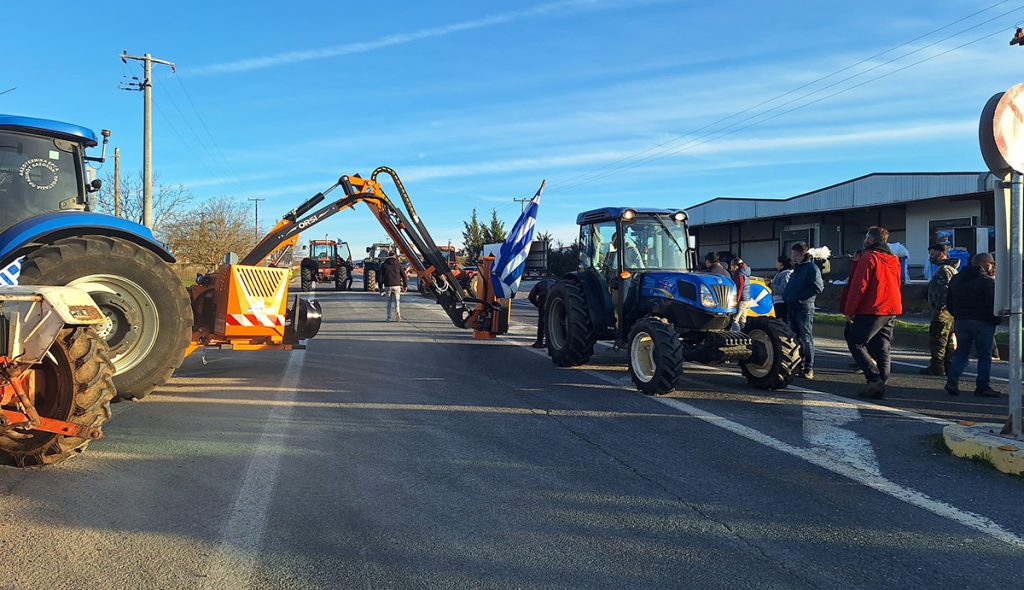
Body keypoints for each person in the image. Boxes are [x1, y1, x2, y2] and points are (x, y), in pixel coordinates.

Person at [842, 226, 903, 399]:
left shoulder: (869, 257)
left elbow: (859, 286)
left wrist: (850, 309)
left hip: (873, 306)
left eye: (867, 237)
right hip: (891, 306)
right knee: (883, 345)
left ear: (870, 239)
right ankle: (881, 382)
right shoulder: (893, 259)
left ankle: (874, 377)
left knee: (856, 341)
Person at [945, 253, 1002, 397]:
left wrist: (957, 315)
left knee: (961, 352)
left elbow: (949, 302)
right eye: (992, 263)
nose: (993, 266)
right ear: (986, 264)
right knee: (984, 355)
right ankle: (982, 386)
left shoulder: (956, 279)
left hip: (962, 321)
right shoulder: (986, 281)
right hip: (983, 322)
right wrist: (995, 319)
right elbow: (991, 304)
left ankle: (952, 380)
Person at [783, 243, 823, 379]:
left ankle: (808, 367)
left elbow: (818, 287)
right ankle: (798, 364)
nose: (792, 256)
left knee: (805, 337)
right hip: (793, 306)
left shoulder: (811, 268)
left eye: (794, 253)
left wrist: (800, 298)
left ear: (800, 253)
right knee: (795, 337)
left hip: (803, 307)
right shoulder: (798, 268)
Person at [921, 243, 958, 376]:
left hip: (943, 312)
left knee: (938, 339)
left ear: (941, 253)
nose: (930, 257)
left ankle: (937, 366)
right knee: (947, 339)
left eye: (933, 254)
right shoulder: (949, 269)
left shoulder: (944, 270)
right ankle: (947, 365)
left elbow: (945, 290)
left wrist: (939, 307)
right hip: (949, 311)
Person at [378, 250, 407, 321]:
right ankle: (398, 314)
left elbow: (380, 277)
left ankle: (389, 317)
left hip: (388, 285)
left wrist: (380, 287)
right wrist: (405, 285)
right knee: (397, 301)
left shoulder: (384, 264)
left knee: (389, 302)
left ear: (388, 255)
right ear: (395, 256)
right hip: (397, 285)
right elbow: (404, 275)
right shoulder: (398, 264)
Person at [528, 278, 556, 348]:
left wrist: (537, 304)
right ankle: (549, 342)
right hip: (555, 300)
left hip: (544, 299)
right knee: (552, 321)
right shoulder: (555, 282)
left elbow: (531, 297)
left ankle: (539, 342)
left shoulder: (539, 284)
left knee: (542, 321)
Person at [729, 258, 752, 330]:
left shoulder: (739, 275)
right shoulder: (745, 273)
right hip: (747, 299)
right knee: (742, 320)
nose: (730, 267)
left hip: (741, 300)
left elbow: (739, 288)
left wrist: (736, 300)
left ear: (735, 266)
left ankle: (735, 336)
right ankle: (744, 334)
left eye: (731, 266)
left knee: (734, 320)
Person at [771, 256, 793, 320]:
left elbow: (783, 289)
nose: (776, 264)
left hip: (782, 302)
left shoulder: (785, 274)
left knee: (782, 321)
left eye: (777, 262)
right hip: (778, 301)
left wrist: (770, 285)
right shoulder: (780, 273)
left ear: (781, 264)